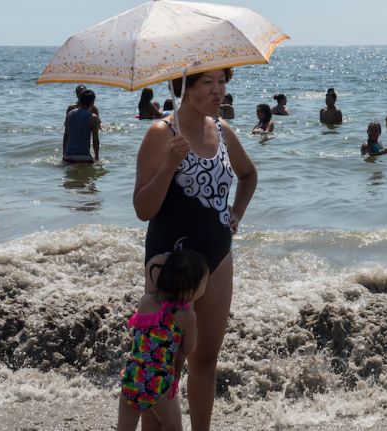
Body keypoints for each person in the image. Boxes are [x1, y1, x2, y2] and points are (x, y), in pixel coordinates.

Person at [133, 67, 257, 430]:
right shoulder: (162, 133)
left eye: (223, 82)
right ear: (184, 86)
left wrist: (236, 214)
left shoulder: (222, 130)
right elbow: (143, 209)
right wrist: (170, 163)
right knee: (164, 363)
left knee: (205, 359)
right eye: (209, 83)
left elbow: (249, 175)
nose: (219, 91)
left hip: (218, 259)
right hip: (172, 263)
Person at [116, 250, 209, 431]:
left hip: (132, 375)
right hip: (158, 382)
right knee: (174, 428)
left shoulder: (145, 301)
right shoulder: (186, 316)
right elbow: (189, 349)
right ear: (191, 290)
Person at [62, 89, 101, 163]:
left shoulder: (70, 114)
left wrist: (64, 154)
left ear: (79, 100)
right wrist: (97, 157)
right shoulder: (94, 118)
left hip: (68, 157)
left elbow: (66, 136)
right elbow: (95, 140)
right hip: (84, 157)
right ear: (92, 102)